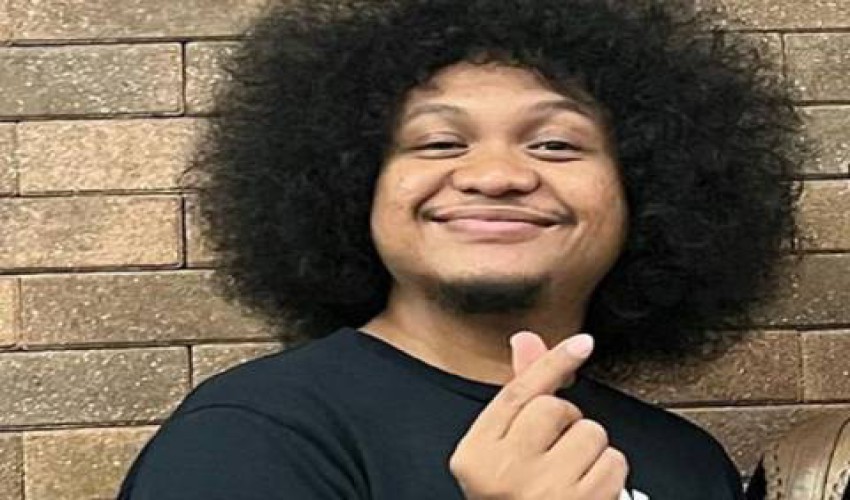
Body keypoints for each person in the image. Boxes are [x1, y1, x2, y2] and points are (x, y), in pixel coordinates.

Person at [117, 0, 803, 498]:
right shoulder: (255, 436)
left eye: (555, 144)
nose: (495, 175)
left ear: (648, 193)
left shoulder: (690, 465)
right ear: (352, 185)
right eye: (440, 142)